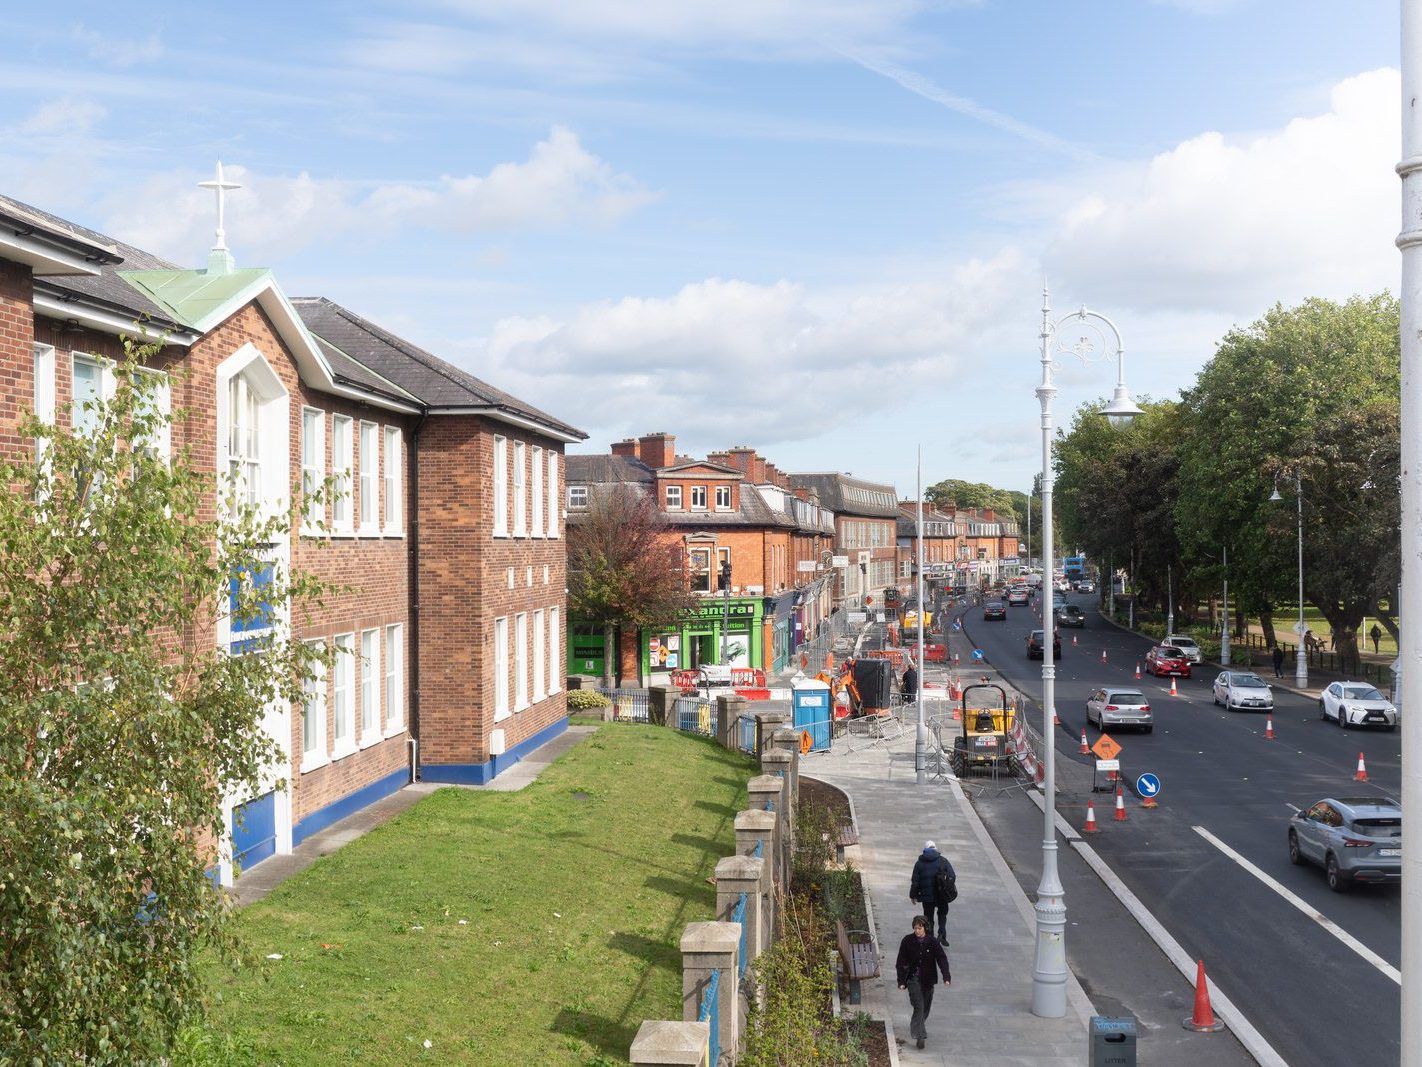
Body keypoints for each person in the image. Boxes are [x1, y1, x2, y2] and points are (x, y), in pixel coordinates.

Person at [895, 914, 951, 1051]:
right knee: (919, 1006)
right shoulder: (907, 941)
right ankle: (920, 1035)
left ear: (925, 928)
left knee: (925, 1008)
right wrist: (901, 981)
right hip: (913, 979)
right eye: (915, 928)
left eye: (919, 928)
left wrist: (946, 976)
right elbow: (900, 962)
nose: (917, 931)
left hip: (928, 980)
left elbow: (942, 959)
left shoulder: (932, 942)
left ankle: (918, 1025)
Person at [909, 840, 955, 946]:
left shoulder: (919, 863)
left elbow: (915, 882)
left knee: (928, 918)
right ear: (935, 849)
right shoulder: (943, 861)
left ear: (924, 850)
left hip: (927, 897)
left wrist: (913, 895)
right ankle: (942, 933)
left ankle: (930, 939)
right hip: (942, 895)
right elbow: (952, 876)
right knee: (942, 914)